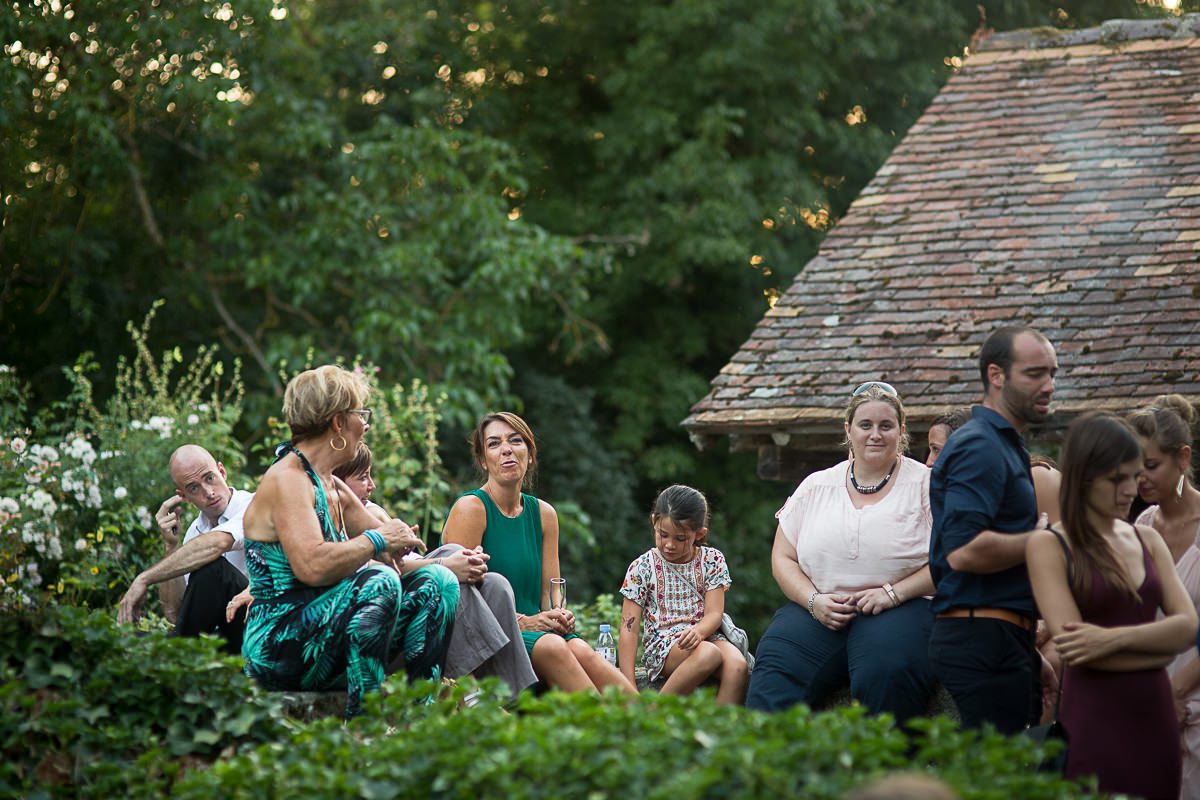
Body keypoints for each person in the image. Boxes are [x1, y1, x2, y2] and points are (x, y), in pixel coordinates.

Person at [240, 365, 459, 717]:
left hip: (326, 635)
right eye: (361, 413)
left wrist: (398, 541)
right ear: (338, 423)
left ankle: (422, 721)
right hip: (280, 647)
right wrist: (378, 540)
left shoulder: (330, 482)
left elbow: (388, 549)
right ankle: (364, 728)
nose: (366, 423)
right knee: (379, 583)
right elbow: (312, 565)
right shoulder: (289, 479)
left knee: (439, 584)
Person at [1027, 412, 1197, 798]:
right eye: (1117, 479)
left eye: (1135, 476)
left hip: (1155, 716)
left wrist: (1109, 640)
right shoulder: (1049, 545)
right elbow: (1077, 649)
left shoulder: (1147, 539)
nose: (1131, 490)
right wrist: (1157, 646)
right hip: (1094, 716)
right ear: (1085, 478)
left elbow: (1189, 627)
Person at [745, 381, 936, 721]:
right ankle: (769, 770)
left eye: (885, 426)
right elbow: (782, 558)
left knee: (886, 673)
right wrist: (812, 601)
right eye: (865, 425)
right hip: (818, 610)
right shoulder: (816, 486)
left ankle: (883, 771)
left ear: (901, 431)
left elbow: (949, 560)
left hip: (902, 607)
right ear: (848, 430)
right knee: (774, 669)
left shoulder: (926, 485)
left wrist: (892, 594)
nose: (875, 434)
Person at [442, 411, 636, 694]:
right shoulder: (471, 509)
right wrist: (524, 621)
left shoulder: (544, 514)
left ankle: (652, 722)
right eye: (494, 444)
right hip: (491, 640)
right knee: (554, 645)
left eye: (515, 441)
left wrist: (559, 615)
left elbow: (550, 596)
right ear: (483, 460)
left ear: (530, 454)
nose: (506, 449)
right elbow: (460, 602)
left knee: (580, 647)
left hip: (539, 633)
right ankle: (607, 733)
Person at [927, 326, 1056, 733]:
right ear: (996, 375)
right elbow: (964, 551)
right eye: (1035, 374)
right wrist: (1047, 540)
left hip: (1001, 637)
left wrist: (1028, 652)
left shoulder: (1005, 444)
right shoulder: (980, 445)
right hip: (980, 642)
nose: (1049, 385)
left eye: (1052, 373)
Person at [334, 443, 537, 699]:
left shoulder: (370, 510)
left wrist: (461, 561)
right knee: (447, 570)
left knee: (495, 584)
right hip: (379, 629)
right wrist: (448, 564)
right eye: (363, 478)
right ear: (338, 484)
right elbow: (388, 571)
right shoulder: (334, 521)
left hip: (410, 600)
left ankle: (510, 697)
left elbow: (403, 559)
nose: (372, 485)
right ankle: (470, 692)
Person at [617, 484, 748, 704]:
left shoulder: (712, 560)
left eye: (680, 538)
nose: (669, 545)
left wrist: (699, 631)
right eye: (663, 534)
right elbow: (628, 629)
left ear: (700, 534)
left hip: (705, 635)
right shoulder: (642, 567)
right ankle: (653, 714)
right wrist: (628, 683)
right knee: (709, 653)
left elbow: (714, 613)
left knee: (738, 666)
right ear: (653, 523)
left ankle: (722, 731)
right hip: (664, 645)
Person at [116, 444, 253, 654]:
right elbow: (176, 613)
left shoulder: (253, 506)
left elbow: (217, 543)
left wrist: (144, 578)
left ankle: (178, 657)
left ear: (222, 471)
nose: (209, 492)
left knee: (212, 568)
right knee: (124, 641)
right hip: (220, 636)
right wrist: (171, 547)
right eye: (194, 488)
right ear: (185, 496)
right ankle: (178, 654)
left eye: (210, 478)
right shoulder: (195, 533)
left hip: (256, 625)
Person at [1130, 396, 1200, 798]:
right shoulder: (1142, 523)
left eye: (1152, 467)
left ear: (1183, 458)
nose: (1141, 479)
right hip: (1152, 700)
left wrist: (1175, 692)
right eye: (1134, 469)